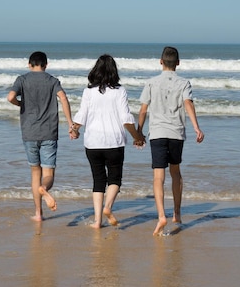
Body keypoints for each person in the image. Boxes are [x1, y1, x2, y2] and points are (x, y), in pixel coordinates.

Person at [71, 54, 145, 229]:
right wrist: (137, 137)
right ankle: (108, 207)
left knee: (98, 181)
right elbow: (126, 119)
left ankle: (97, 221)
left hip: (93, 143)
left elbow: (81, 115)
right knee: (115, 178)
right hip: (114, 142)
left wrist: (75, 130)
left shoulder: (88, 91)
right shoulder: (120, 91)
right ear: (114, 71)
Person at [138, 46, 204, 235]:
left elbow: (143, 110)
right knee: (175, 172)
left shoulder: (151, 82)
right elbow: (188, 104)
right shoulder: (184, 83)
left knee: (158, 177)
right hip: (176, 133)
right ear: (178, 63)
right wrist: (196, 127)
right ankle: (176, 212)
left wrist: (139, 133)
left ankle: (161, 215)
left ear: (160, 61)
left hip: (157, 133)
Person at [7, 51, 75, 222]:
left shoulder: (22, 79)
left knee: (35, 172)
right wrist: (70, 123)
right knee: (48, 173)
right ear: (46, 65)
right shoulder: (52, 81)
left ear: (29, 65)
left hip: (29, 133)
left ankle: (38, 214)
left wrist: (20, 104)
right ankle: (45, 188)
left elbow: (10, 97)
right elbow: (64, 98)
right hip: (49, 132)